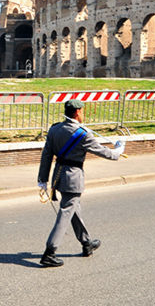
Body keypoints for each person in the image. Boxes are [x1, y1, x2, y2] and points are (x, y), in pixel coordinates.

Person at [37, 99, 126, 268]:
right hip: (73, 177)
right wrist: (119, 149)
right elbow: (106, 153)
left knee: (73, 209)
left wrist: (42, 180)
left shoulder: (55, 129)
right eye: (83, 111)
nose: (83, 114)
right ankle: (50, 252)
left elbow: (46, 156)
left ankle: (86, 244)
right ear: (78, 112)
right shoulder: (82, 134)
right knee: (66, 212)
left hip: (58, 176)